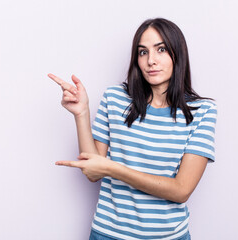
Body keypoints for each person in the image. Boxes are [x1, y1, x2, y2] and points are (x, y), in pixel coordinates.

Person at [48, 18, 217, 240]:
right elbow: (93, 171)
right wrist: (82, 113)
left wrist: (112, 169)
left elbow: (181, 190)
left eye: (161, 49)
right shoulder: (115, 98)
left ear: (177, 54)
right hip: (108, 233)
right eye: (143, 52)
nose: (151, 60)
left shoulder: (202, 111)